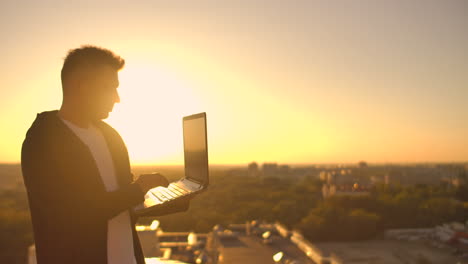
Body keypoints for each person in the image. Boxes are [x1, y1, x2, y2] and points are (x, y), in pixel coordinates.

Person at [21, 45, 185, 264]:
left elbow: (122, 206)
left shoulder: (111, 136)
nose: (117, 98)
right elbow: (68, 214)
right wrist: (137, 189)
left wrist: (172, 199)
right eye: (109, 88)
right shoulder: (42, 141)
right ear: (81, 86)